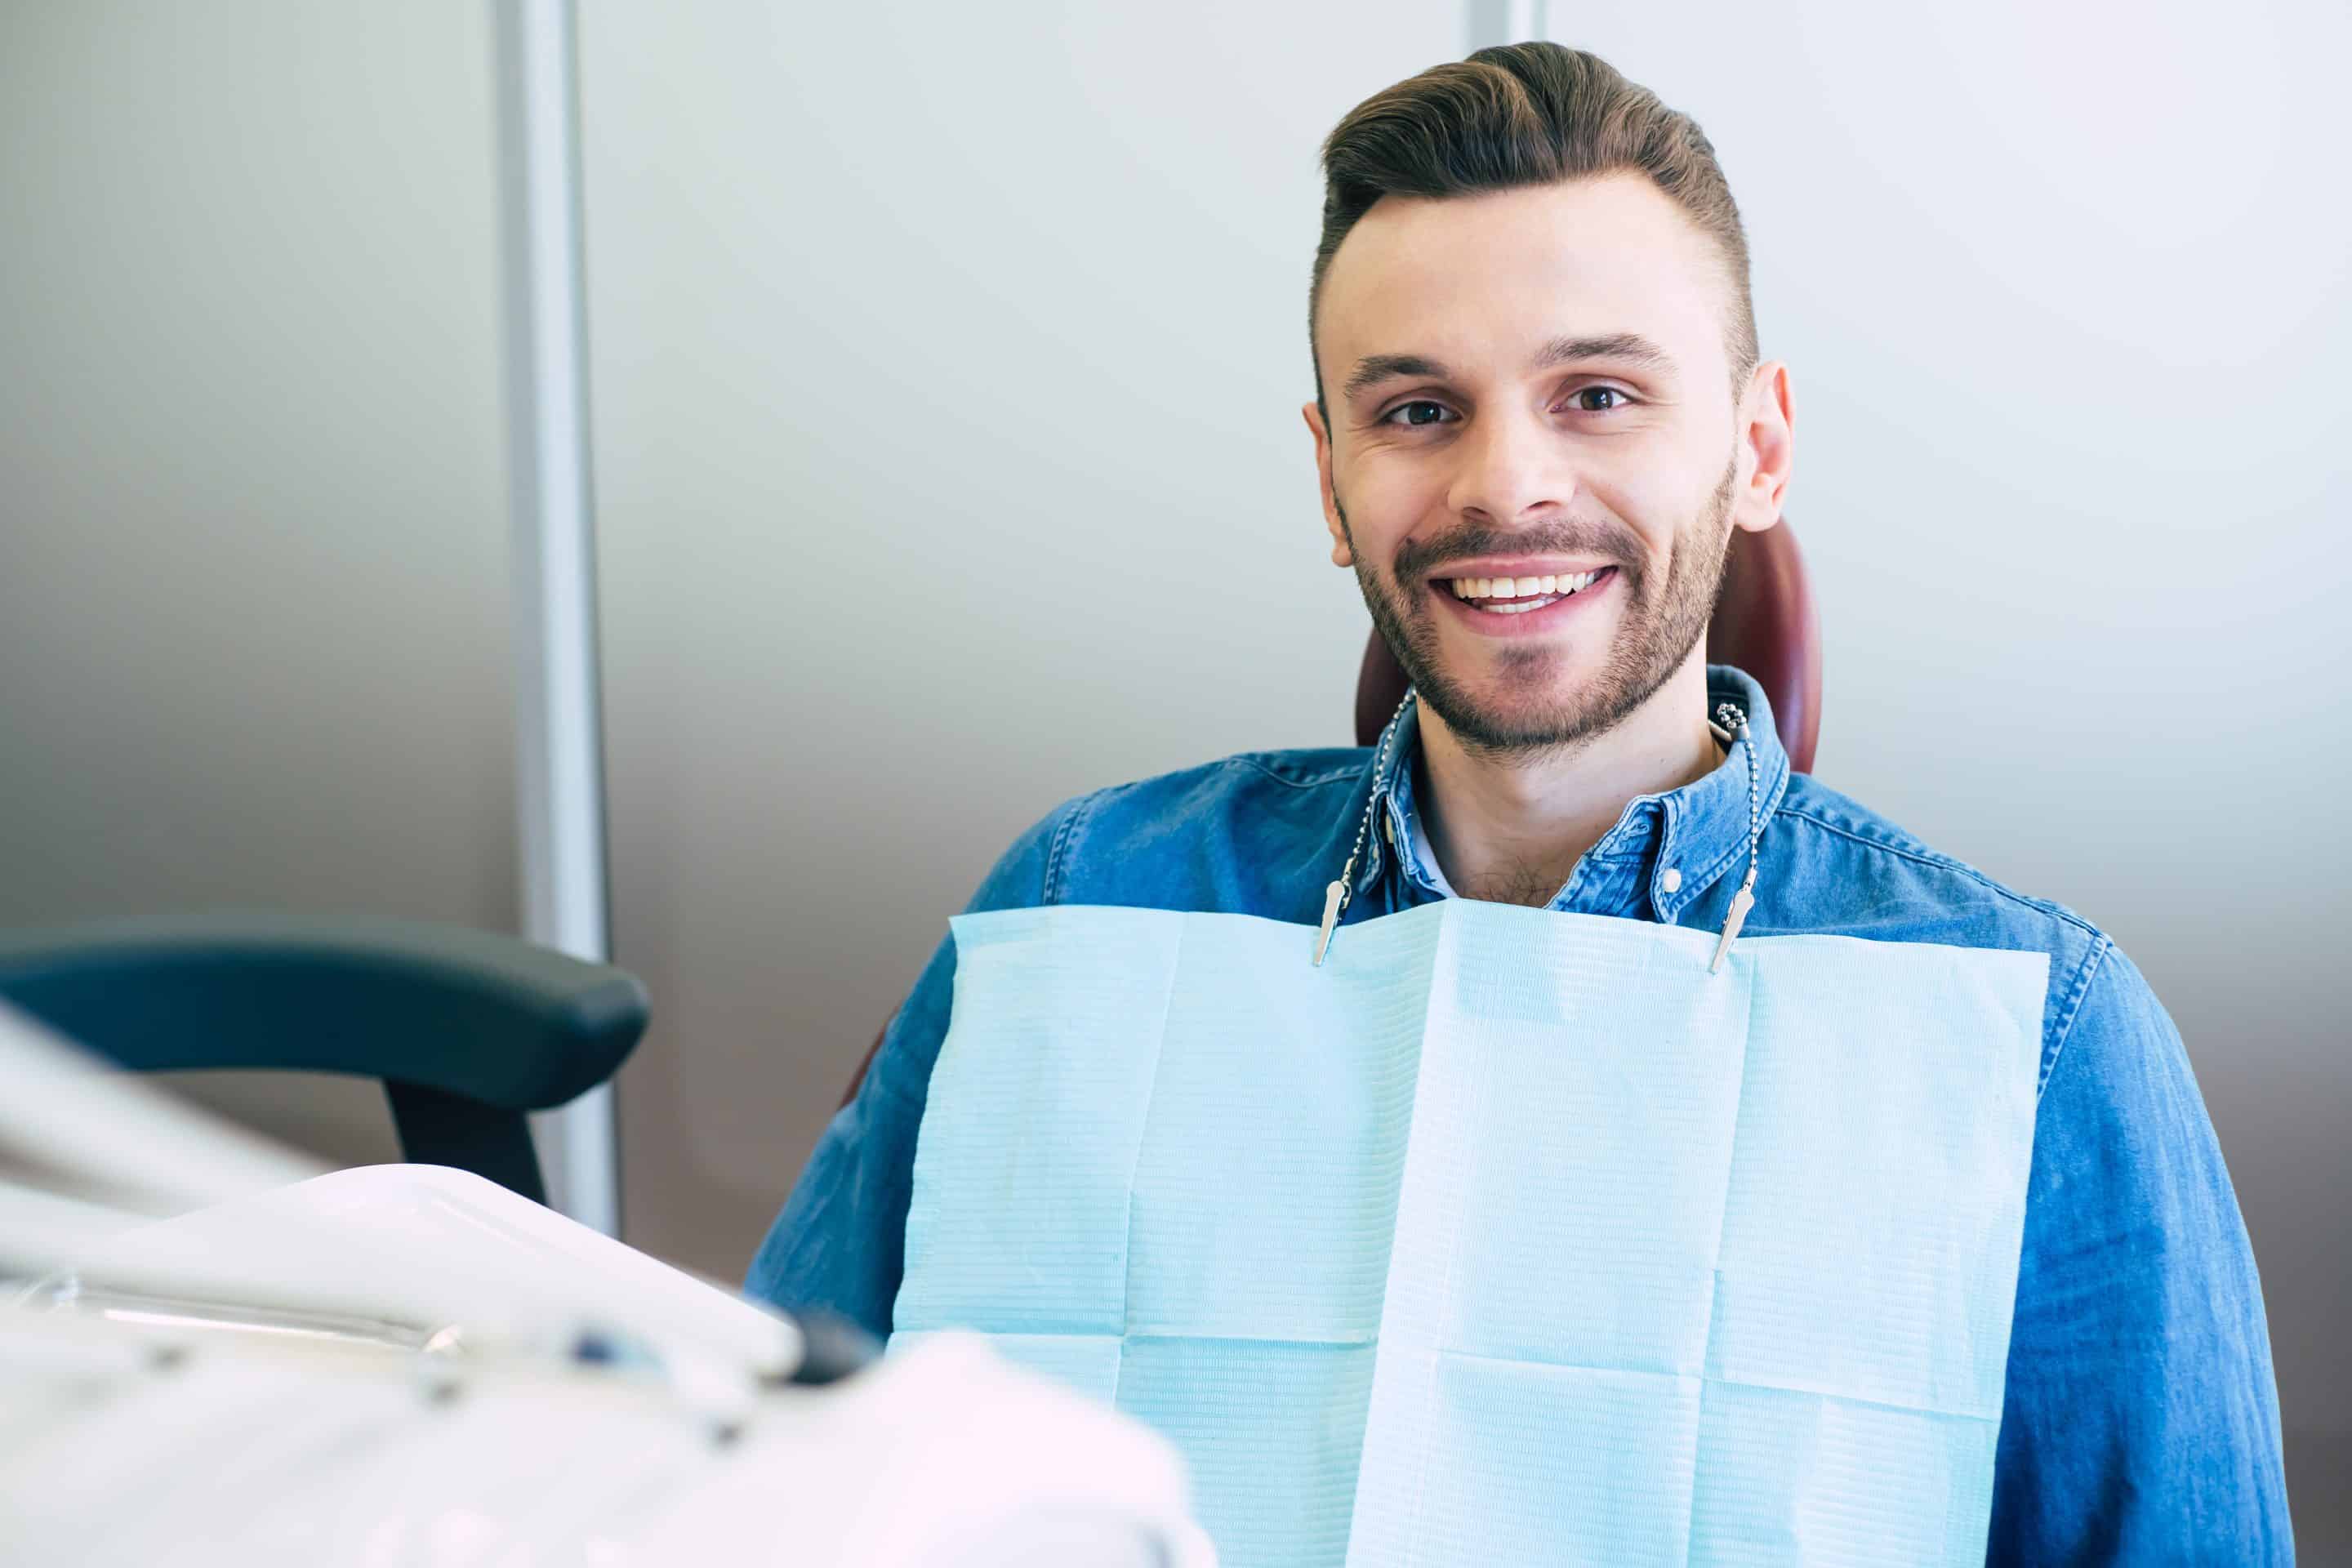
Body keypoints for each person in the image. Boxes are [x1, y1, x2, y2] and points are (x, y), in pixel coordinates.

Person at [748, 42, 2291, 1563]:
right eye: (1418, 410)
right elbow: (756, 1443)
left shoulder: (2036, 1033)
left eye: (1600, 394)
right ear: (1331, 478)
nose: (1507, 487)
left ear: (1757, 449)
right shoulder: (1086, 902)